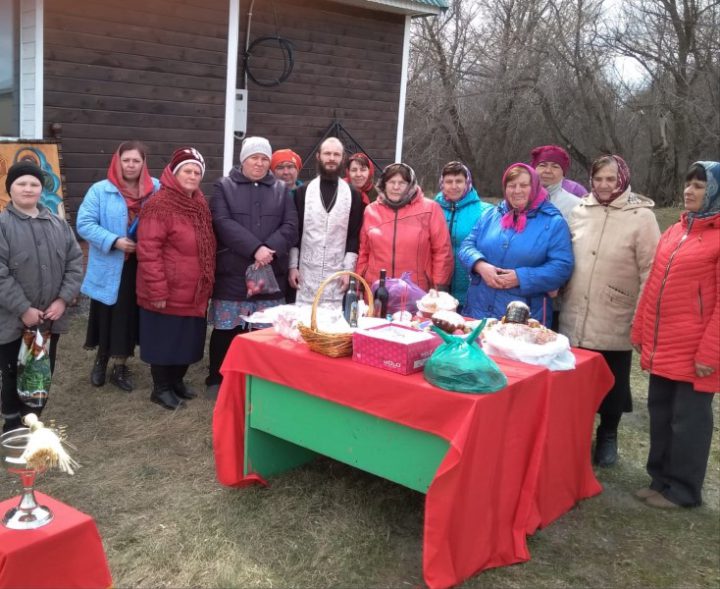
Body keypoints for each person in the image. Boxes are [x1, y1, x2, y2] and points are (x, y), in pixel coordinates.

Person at [560, 154, 661, 467]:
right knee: (576, 381)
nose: (604, 185)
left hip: (616, 309)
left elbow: (651, 269)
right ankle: (575, 435)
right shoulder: (580, 210)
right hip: (576, 307)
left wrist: (642, 315)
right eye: (599, 179)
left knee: (613, 380)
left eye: (611, 179)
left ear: (623, 180)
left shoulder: (641, 217)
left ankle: (608, 433)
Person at [631, 161, 719, 509]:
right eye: (688, 184)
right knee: (661, 413)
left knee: (689, 423)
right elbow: (653, 284)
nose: (689, 191)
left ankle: (683, 490)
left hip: (696, 351)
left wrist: (710, 354)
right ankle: (660, 479)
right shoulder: (675, 231)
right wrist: (640, 329)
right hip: (664, 344)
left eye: (699, 185)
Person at [207, 137, 298, 396]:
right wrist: (255, 249)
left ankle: (261, 379)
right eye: (253, 158)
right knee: (227, 330)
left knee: (266, 333)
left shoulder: (281, 189)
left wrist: (269, 249)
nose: (259, 163)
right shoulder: (224, 186)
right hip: (233, 272)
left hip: (271, 272)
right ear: (243, 160)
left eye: (264, 159)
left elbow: (291, 225)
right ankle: (217, 378)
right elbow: (222, 222)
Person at [0, 162, 83, 432]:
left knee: (40, 370)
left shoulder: (58, 224)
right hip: (11, 321)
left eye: (34, 184)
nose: (28, 188)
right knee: (12, 371)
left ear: (41, 189)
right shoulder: (3, 225)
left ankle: (32, 419)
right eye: (21, 183)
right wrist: (23, 308)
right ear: (10, 188)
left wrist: (63, 299)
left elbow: (74, 263)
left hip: (48, 320)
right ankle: (12, 424)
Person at [136, 147, 216, 410]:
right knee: (165, 341)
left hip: (193, 289)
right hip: (168, 289)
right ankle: (161, 388)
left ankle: (176, 381)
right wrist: (157, 290)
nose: (192, 176)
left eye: (197, 172)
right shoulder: (159, 206)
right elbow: (149, 251)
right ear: (174, 173)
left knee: (186, 340)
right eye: (187, 171)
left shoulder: (199, 203)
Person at [76, 141, 160, 392]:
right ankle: (101, 359)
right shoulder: (101, 190)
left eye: (136, 161)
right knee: (108, 314)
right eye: (126, 160)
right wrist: (114, 241)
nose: (131, 165)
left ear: (144, 163)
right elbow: (84, 223)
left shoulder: (156, 189)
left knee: (129, 316)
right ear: (118, 161)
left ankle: (120, 366)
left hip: (143, 265)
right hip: (111, 264)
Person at [458, 163, 573, 325]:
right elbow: (467, 245)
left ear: (534, 187)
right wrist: (479, 265)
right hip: (479, 308)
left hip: (524, 316)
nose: (517, 190)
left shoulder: (554, 222)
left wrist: (521, 277)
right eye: (512, 186)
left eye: (524, 185)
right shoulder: (491, 215)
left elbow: (561, 267)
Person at [290, 137, 364, 307]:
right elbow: (296, 232)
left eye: (336, 154)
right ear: (318, 156)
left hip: (337, 275)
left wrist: (348, 271)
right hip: (306, 274)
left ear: (342, 158)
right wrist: (292, 266)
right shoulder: (303, 191)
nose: (331, 158)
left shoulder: (353, 194)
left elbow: (354, 236)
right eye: (327, 153)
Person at [357, 163, 453, 294]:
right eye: (392, 182)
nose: (396, 187)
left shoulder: (430, 209)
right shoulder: (371, 210)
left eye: (402, 183)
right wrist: (358, 284)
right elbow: (364, 251)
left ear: (410, 185)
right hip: (376, 289)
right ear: (384, 184)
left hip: (415, 291)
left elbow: (442, 251)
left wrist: (440, 287)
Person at [434, 161, 492, 310]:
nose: (454, 186)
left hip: (470, 287)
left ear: (467, 183)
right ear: (442, 184)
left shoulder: (485, 211)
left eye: (459, 181)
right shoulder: (432, 209)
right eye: (449, 182)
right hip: (437, 290)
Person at [530, 145, 581, 220]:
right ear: (533, 170)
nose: (548, 171)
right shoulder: (519, 199)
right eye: (543, 165)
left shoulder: (576, 206)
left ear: (563, 174)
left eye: (555, 167)